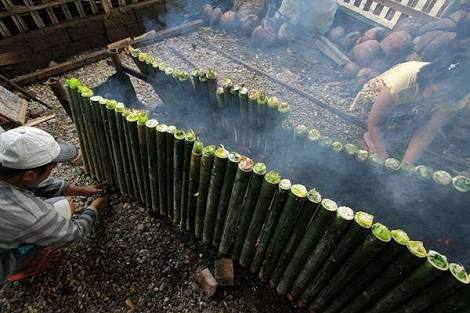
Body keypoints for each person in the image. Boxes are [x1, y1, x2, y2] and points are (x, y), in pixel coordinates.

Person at [0, 127, 107, 281]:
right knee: (61, 215)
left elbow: (34, 183)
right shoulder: (29, 214)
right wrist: (94, 208)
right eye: (52, 167)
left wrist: (82, 190)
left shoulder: (7, 167)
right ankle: (23, 268)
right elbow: (73, 234)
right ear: (30, 175)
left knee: (63, 206)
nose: (54, 169)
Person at [350, 54, 470, 165]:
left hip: (411, 105)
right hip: (375, 98)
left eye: (447, 98)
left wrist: (405, 167)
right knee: (389, 124)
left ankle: (393, 132)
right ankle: (370, 137)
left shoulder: (457, 98)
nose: (439, 100)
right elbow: (375, 124)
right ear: (429, 79)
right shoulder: (404, 81)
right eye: (434, 92)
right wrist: (384, 159)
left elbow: (426, 133)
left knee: (414, 123)